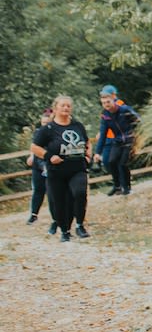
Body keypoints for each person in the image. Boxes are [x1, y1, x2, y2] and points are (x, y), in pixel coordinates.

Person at [30, 96, 91, 241]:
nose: (66, 108)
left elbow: (87, 141)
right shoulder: (48, 129)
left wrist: (88, 154)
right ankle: (65, 231)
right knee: (60, 201)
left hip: (77, 168)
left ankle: (80, 225)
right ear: (56, 108)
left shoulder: (77, 126)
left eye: (68, 106)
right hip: (57, 171)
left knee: (80, 192)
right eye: (63, 105)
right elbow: (34, 147)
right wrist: (49, 156)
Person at [95, 85, 140, 196]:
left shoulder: (124, 109)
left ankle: (127, 187)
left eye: (108, 102)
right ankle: (117, 186)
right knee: (111, 162)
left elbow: (138, 120)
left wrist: (135, 134)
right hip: (117, 140)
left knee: (122, 163)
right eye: (104, 103)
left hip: (128, 139)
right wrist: (97, 152)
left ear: (113, 99)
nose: (106, 105)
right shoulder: (105, 115)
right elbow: (103, 134)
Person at [26, 106, 53, 227]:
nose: (44, 125)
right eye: (43, 122)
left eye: (47, 123)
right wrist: (31, 156)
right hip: (38, 163)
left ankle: (57, 216)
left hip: (50, 163)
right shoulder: (38, 132)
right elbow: (34, 145)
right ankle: (33, 214)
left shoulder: (54, 133)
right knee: (38, 189)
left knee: (52, 191)